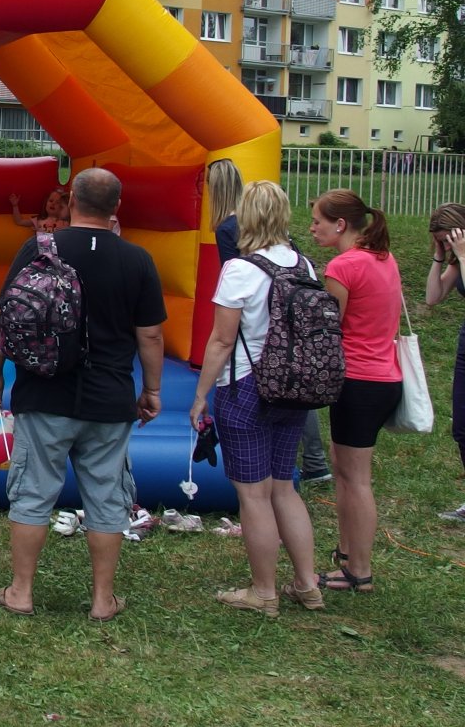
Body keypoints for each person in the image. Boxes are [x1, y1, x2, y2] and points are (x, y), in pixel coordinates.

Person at [0, 168, 165, 621]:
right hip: (110, 398)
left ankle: (21, 592)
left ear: (71, 201)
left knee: (32, 492)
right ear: (116, 207)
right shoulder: (137, 259)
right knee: (106, 497)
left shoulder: (39, 248)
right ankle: (103, 600)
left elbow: (5, 316)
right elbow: (151, 335)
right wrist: (151, 389)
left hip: (44, 392)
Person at [189, 182, 323, 616]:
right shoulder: (304, 264)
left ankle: (264, 592)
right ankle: (308, 583)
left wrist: (201, 395)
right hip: (294, 388)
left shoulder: (241, 270)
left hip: (246, 386)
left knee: (254, 495)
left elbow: (221, 340)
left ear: (245, 217)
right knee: (284, 487)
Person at [309, 188, 402, 593]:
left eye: (318, 221)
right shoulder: (383, 257)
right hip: (384, 377)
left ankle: (359, 570)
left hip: (359, 380)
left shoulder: (343, 267)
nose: (312, 228)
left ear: (341, 225)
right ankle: (347, 553)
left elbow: (331, 328)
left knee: (356, 478)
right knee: (344, 468)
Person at [424, 203, 465, 517]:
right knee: (461, 428)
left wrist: (462, 255)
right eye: (441, 241)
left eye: (447, 240)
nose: (446, 246)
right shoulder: (456, 259)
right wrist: (440, 257)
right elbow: (432, 297)